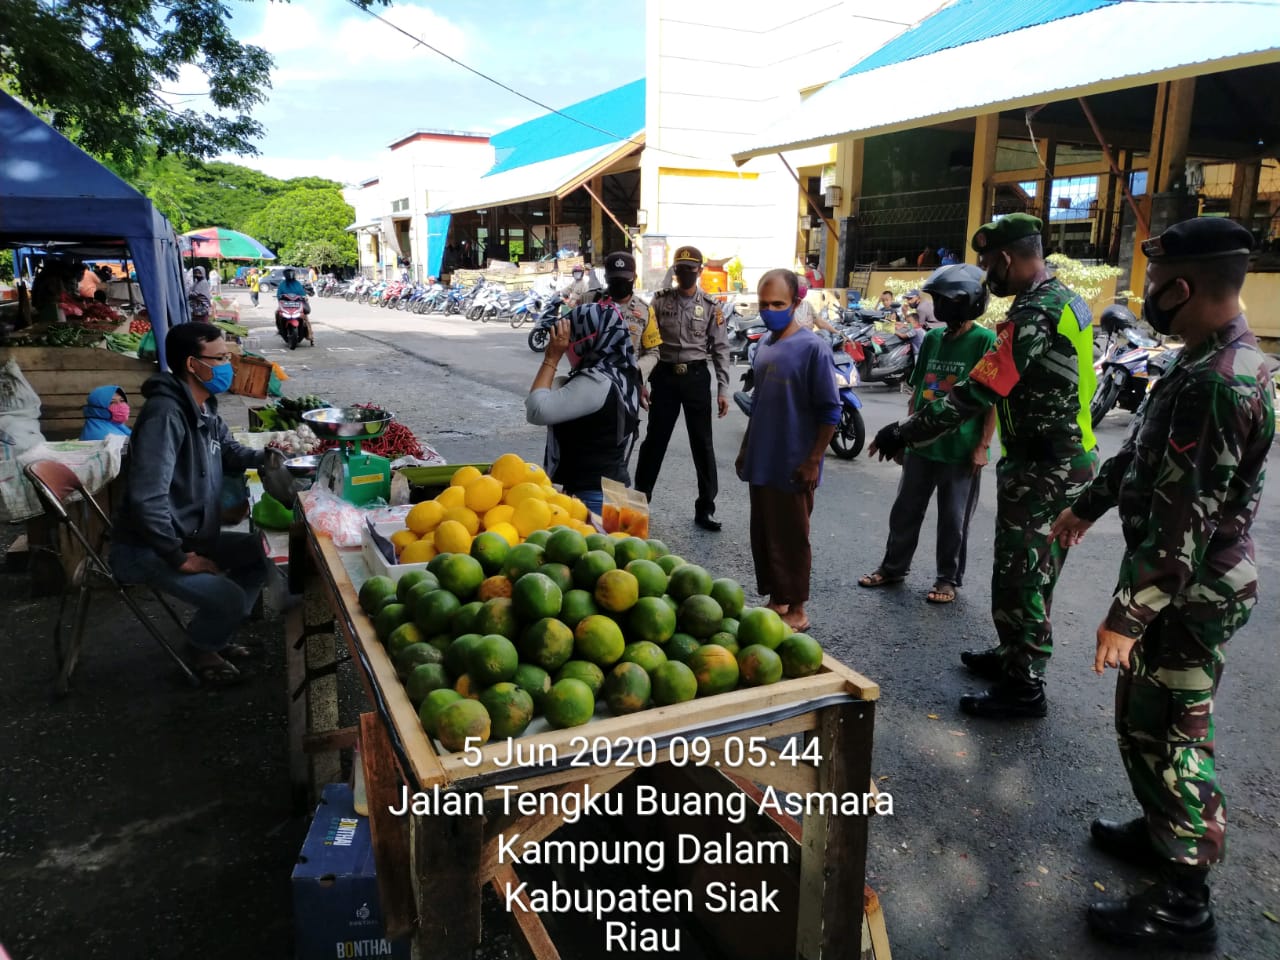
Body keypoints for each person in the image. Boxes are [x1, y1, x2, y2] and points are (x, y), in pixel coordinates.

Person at [1049, 218, 1273, 952]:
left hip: (1188, 589)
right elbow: (1149, 457)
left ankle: (1184, 900)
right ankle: (1160, 834)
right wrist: (1087, 505)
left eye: (1154, 282)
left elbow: (1186, 519)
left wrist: (1126, 615)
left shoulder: (1215, 381)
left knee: (1173, 735)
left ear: (1182, 287)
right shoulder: (1206, 357)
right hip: (1183, 582)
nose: (1145, 294)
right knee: (1144, 720)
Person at [868, 213, 1098, 719]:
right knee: (1036, 572)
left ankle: (1024, 687)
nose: (987, 276)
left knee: (1020, 578)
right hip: (1064, 457)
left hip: (1048, 467)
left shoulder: (1034, 313)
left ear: (1009, 259)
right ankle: (1012, 655)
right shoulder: (1067, 299)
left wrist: (904, 432)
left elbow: (977, 391)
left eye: (990, 263)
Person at [109, 322, 278, 688]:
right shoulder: (166, 415)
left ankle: (214, 633)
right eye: (219, 359)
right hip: (148, 547)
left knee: (261, 554)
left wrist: (272, 457)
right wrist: (178, 556)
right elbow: (147, 497)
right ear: (192, 364)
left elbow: (231, 453)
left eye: (227, 357)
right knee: (231, 597)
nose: (227, 366)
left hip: (192, 534)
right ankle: (203, 647)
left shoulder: (204, 406)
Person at [858, 265, 996, 603]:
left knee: (953, 519)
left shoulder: (985, 341)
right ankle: (892, 568)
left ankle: (947, 579)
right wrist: (905, 437)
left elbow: (991, 400)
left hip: (960, 449)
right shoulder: (933, 338)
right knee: (905, 510)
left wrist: (983, 446)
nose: (936, 307)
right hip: (922, 446)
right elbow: (919, 392)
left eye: (943, 300)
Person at [735, 269, 840, 631]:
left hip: (795, 462)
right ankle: (776, 599)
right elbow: (759, 402)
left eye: (778, 304)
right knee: (764, 533)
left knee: (792, 537)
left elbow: (831, 411)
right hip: (762, 459)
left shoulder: (813, 348)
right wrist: (746, 448)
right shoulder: (764, 344)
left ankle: (797, 608)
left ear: (796, 303)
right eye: (764, 304)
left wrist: (813, 460)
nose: (769, 310)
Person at [633, 246, 731, 531]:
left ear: (699, 271)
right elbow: (646, 343)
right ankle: (641, 503)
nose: (684, 274)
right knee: (654, 442)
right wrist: (641, 381)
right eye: (680, 270)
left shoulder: (712, 307)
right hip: (663, 377)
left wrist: (723, 389)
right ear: (674, 272)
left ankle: (706, 509)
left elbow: (721, 349)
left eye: (690, 269)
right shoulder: (660, 301)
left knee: (702, 444)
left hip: (696, 377)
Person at [525, 298, 643, 517]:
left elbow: (536, 410)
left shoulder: (597, 381)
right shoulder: (623, 372)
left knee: (590, 551)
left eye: (572, 338)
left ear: (589, 339)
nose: (569, 345)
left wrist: (551, 358)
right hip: (613, 489)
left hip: (593, 497)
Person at [594, 251, 659, 391]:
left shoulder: (645, 310)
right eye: (615, 280)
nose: (620, 284)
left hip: (628, 384)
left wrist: (637, 372)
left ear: (634, 277)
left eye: (624, 280)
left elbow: (653, 352)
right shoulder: (590, 302)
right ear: (606, 278)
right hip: (594, 383)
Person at [275, 268, 312, 344]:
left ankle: (310, 334)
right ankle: (280, 329)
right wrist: (280, 298)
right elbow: (279, 295)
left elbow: (303, 294)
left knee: (305, 317)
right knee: (277, 313)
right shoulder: (282, 284)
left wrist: (304, 297)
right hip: (285, 305)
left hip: (297, 304)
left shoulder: (297, 284)